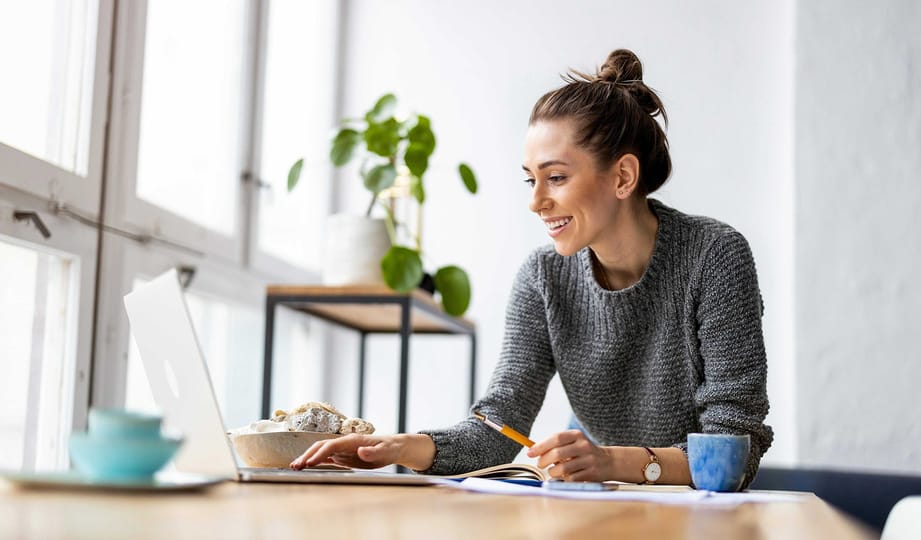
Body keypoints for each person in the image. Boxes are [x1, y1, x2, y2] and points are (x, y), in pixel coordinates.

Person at [291, 49, 774, 488]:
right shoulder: (543, 277)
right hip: (597, 504)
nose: (537, 202)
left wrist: (610, 462)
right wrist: (401, 448)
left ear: (623, 176)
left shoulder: (715, 256)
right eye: (530, 180)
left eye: (556, 178)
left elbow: (735, 449)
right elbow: (499, 426)